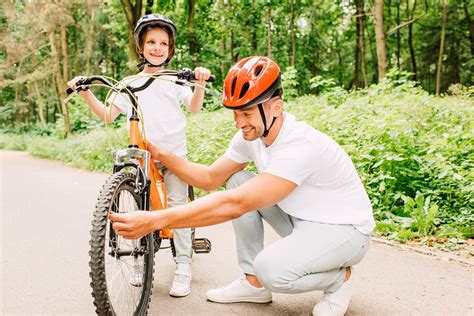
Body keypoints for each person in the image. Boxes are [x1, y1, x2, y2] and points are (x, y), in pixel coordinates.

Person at [109, 56, 375, 315]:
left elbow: (236, 204)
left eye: (246, 113)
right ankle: (253, 284)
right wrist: (162, 155)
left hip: (346, 232)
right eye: (235, 114)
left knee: (271, 270)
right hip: (303, 220)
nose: (239, 123)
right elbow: (211, 178)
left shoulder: (298, 145)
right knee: (237, 179)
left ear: (276, 107)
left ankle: (340, 278)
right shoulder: (252, 136)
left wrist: (154, 220)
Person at [67, 13, 211, 298]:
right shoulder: (130, 82)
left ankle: (183, 265)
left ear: (170, 50)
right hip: (142, 156)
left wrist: (200, 82)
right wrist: (85, 94)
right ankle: (138, 260)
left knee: (177, 206)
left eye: (163, 43)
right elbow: (108, 115)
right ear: (141, 47)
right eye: (151, 42)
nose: (157, 48)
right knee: (139, 208)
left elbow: (194, 108)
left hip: (172, 156)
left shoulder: (176, 79)